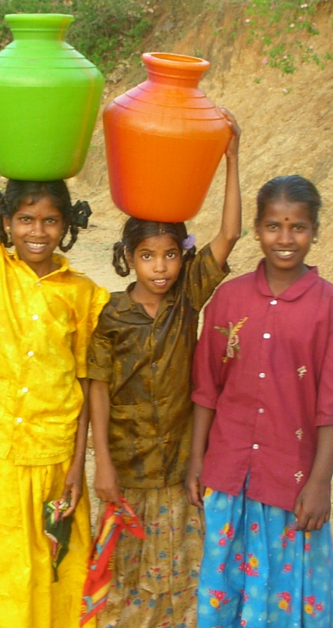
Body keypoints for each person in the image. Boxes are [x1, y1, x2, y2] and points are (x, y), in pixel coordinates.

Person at [0, 55, 108, 627]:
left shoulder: (85, 295)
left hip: (56, 452)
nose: (37, 232)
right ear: (5, 222)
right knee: (3, 561)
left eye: (50, 222)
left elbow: (86, 382)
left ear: (67, 227)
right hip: (0, 447)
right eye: (26, 220)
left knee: (53, 564)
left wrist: (78, 468)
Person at [86, 107, 242, 626]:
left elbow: (230, 235)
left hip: (178, 466)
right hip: (126, 469)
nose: (161, 267)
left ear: (183, 258)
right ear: (128, 256)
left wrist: (231, 158)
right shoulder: (110, 314)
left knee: (178, 578)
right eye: (149, 255)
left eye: (171, 255)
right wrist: (101, 463)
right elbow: (99, 389)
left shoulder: (187, 299)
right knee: (126, 580)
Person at [186, 175, 333, 627]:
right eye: (273, 226)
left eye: (297, 227)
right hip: (228, 474)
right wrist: (196, 459)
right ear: (257, 230)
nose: (285, 238)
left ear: (315, 230)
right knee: (227, 589)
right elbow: (207, 387)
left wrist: (319, 484)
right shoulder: (228, 299)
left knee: (284, 597)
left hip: (290, 483)